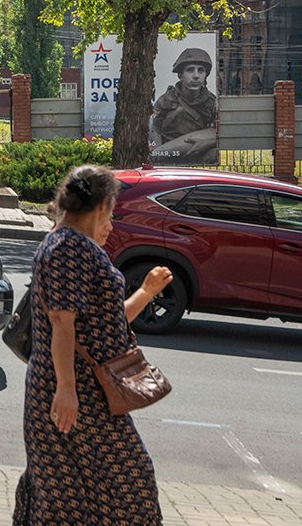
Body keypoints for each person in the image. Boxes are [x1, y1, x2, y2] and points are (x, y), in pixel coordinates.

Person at [17, 165, 173, 525]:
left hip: (86, 392)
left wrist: (146, 292)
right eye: (113, 211)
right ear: (102, 205)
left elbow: (103, 322)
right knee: (123, 483)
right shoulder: (68, 247)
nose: (113, 222)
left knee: (73, 490)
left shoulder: (73, 245)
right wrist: (67, 389)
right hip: (76, 393)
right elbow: (61, 321)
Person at [150, 47, 218, 164]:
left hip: (197, 155)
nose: (196, 76)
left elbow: (218, 132)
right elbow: (155, 128)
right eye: (190, 70)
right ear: (180, 75)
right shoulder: (166, 99)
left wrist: (207, 142)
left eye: (201, 71)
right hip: (169, 157)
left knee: (216, 154)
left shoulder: (211, 102)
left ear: (206, 75)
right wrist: (158, 153)